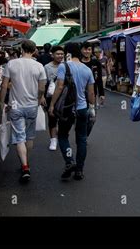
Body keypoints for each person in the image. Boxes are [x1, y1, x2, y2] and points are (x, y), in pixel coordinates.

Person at [0, 40, 47, 183]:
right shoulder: (39, 66)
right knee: (29, 136)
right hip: (32, 105)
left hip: (15, 106)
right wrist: (38, 101)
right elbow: (42, 88)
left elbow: (4, 85)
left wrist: (2, 103)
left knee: (19, 136)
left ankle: (24, 166)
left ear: (21, 49)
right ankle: (26, 162)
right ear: (34, 51)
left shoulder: (11, 64)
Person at [48, 43, 96, 181]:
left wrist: (52, 105)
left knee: (63, 136)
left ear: (68, 53)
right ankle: (79, 170)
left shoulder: (64, 66)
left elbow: (59, 86)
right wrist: (92, 108)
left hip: (67, 109)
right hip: (82, 108)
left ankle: (70, 161)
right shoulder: (87, 70)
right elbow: (91, 93)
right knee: (81, 139)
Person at [43, 46, 64, 151]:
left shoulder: (66, 66)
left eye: (61, 54)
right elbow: (44, 83)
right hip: (50, 96)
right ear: (52, 55)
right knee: (52, 119)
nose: (60, 56)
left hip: (63, 97)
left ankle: (61, 137)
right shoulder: (47, 67)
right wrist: (42, 96)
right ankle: (53, 140)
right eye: (58, 54)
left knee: (63, 119)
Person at [81, 42, 105, 109]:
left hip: (93, 93)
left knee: (92, 116)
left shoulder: (96, 63)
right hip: (80, 94)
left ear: (91, 51)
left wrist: (101, 93)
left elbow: (99, 79)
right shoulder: (79, 63)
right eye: (85, 49)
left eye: (89, 49)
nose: (87, 51)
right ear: (81, 50)